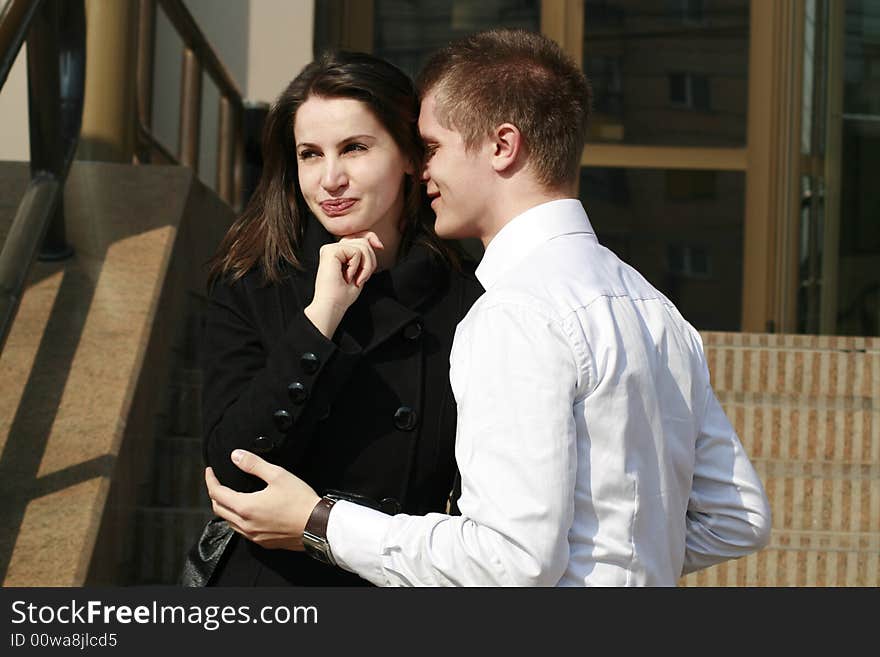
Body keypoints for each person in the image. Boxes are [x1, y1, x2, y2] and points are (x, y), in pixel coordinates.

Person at [205, 29, 772, 586]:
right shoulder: (657, 309)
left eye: (430, 149)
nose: (427, 171)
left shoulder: (506, 309)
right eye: (309, 153)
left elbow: (513, 561)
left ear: (502, 146)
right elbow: (734, 520)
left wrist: (320, 524)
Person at [190, 50, 483, 586]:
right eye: (309, 154)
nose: (330, 178)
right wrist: (321, 317)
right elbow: (231, 471)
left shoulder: (468, 303)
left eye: (354, 148)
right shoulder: (253, 284)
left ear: (411, 158)